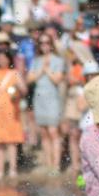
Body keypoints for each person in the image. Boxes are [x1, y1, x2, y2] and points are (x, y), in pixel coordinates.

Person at [28, 34, 65, 172]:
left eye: (47, 42)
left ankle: (56, 165)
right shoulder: (36, 60)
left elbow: (57, 79)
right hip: (39, 98)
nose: (44, 45)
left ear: (51, 44)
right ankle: (49, 164)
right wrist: (41, 70)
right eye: (42, 43)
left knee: (53, 131)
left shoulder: (58, 60)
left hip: (52, 98)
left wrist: (47, 70)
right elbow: (30, 78)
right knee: (43, 132)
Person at [0, 48, 26, 179]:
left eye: (4, 58)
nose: (2, 60)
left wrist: (17, 90)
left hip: (11, 110)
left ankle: (12, 169)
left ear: (9, 59)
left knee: (11, 141)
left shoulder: (14, 73)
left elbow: (24, 90)